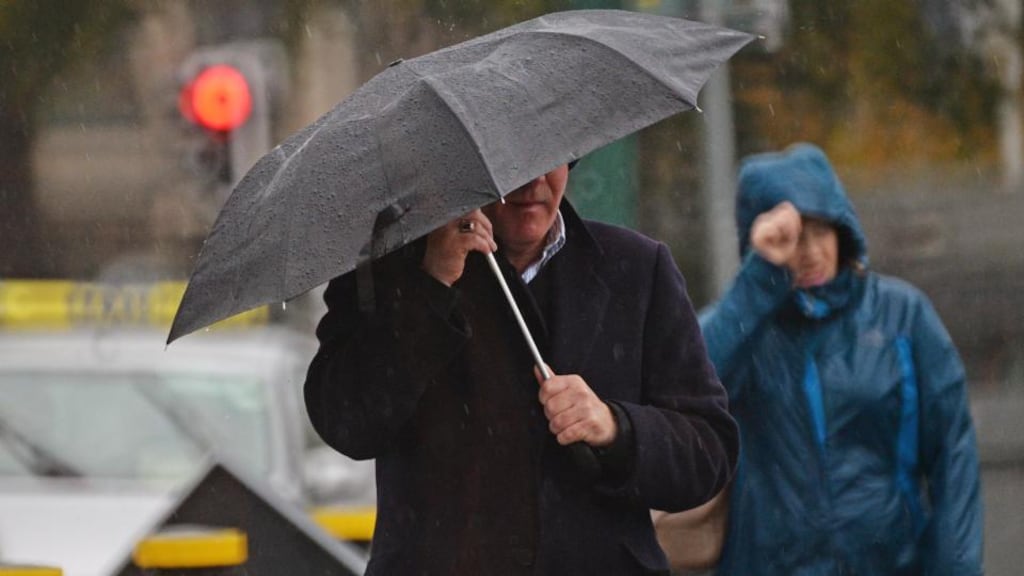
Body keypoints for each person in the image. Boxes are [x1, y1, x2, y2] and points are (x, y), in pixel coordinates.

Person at [305, 162, 738, 575]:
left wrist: (615, 427)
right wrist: (430, 287)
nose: (531, 182)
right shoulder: (391, 272)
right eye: (506, 168)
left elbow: (708, 450)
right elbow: (348, 422)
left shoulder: (637, 270)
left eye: (548, 161)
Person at [699, 143, 983, 575]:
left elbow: (953, 454)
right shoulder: (743, 327)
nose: (810, 252)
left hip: (892, 564)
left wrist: (954, 569)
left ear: (842, 230)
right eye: (793, 238)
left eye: (821, 230)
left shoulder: (902, 315)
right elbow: (689, 386)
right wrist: (760, 278)